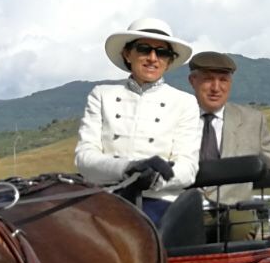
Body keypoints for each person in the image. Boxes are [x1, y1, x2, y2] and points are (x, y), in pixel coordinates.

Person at [75, 19, 201, 224]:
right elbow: (84, 158)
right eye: (144, 49)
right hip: (105, 198)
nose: (153, 58)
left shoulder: (184, 102)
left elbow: (187, 167)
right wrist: (128, 168)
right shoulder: (101, 95)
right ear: (127, 54)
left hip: (159, 203)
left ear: (169, 61)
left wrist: (155, 177)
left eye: (162, 52)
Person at [186, 51, 270, 203]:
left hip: (237, 216)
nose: (216, 87)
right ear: (192, 81)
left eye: (223, 80)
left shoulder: (252, 121)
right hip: (181, 214)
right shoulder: (172, 118)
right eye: (208, 79)